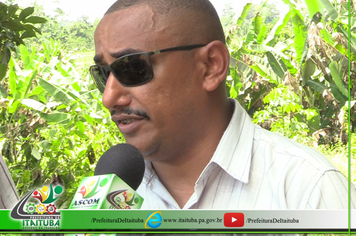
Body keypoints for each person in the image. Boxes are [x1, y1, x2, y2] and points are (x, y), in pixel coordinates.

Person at [90, 0, 356, 209]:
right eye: (102, 74)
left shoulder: (308, 189)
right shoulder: (111, 191)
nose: (109, 98)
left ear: (210, 66)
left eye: (132, 68)